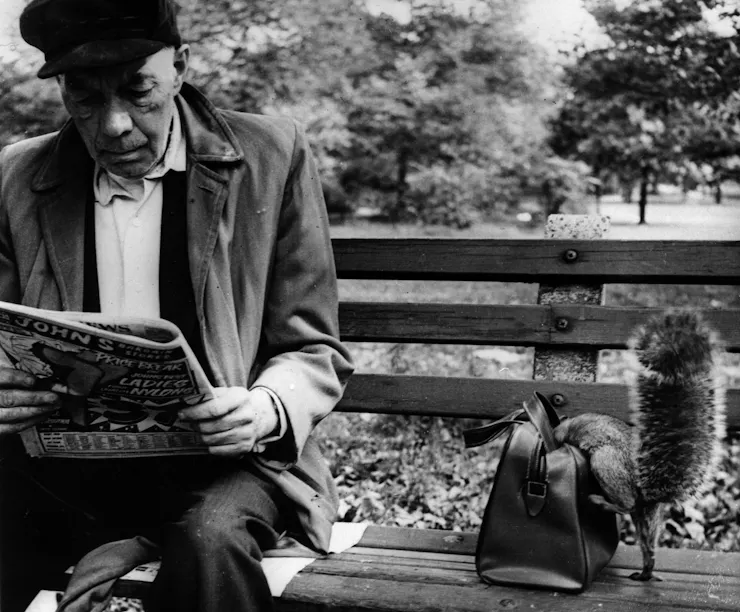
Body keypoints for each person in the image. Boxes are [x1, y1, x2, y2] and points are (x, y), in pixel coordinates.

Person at [0, 0, 354, 610]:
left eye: (139, 90)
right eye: (83, 97)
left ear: (181, 66)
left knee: (209, 540)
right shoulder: (18, 173)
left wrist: (268, 407)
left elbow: (312, 347)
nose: (112, 124)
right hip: (68, 466)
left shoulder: (272, 154)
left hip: (230, 464)